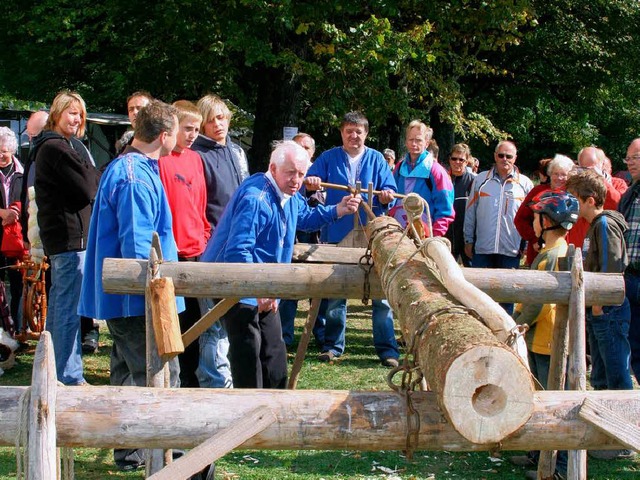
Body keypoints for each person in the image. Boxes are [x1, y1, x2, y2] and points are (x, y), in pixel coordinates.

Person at [201, 140, 361, 388]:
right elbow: (238, 251)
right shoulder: (257, 199)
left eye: (301, 174)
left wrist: (337, 210)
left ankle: (277, 403)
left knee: (274, 351)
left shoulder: (288, 194)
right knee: (248, 351)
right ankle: (251, 410)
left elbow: (305, 217)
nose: (297, 180)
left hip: (262, 284)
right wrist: (258, 291)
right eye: (291, 173)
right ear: (273, 168)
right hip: (233, 283)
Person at [79, 100, 184, 471]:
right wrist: (154, 294)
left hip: (130, 300)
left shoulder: (134, 167)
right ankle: (160, 450)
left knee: (127, 373)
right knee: (153, 373)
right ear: (164, 135)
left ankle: (131, 452)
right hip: (135, 300)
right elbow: (139, 248)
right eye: (178, 131)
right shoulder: (134, 177)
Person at [305, 111, 400, 367]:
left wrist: (386, 196)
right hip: (338, 231)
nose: (353, 136)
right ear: (342, 133)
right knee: (337, 292)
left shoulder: (377, 159)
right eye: (349, 131)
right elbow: (310, 183)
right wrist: (312, 182)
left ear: (366, 134)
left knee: (381, 294)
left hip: (371, 232)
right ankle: (333, 346)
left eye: (358, 131)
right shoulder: (328, 157)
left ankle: (387, 349)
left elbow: (388, 188)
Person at [511, 191, 579, 480]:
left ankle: (558, 466)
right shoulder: (556, 250)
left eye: (537, 217)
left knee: (550, 400)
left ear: (547, 221)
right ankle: (538, 453)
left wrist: (515, 323)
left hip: (545, 339)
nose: (533, 222)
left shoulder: (551, 255)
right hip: (544, 337)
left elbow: (538, 301)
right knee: (540, 395)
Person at [33, 91, 99, 386]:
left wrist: (90, 173)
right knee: (67, 309)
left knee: (62, 307)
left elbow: (90, 180)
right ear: (57, 113)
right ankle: (68, 375)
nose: (77, 119)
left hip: (68, 239)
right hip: (69, 239)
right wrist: (91, 172)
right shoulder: (57, 148)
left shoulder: (66, 146)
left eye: (80, 114)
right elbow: (89, 187)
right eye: (72, 113)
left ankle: (55, 371)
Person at [192, 94, 249, 389]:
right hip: (210, 247)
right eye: (213, 119)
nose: (219, 124)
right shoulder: (197, 156)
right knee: (211, 320)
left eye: (223, 118)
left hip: (237, 245)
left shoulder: (237, 152)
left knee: (232, 317)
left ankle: (228, 374)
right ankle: (214, 380)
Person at [158, 100, 211, 388]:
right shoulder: (161, 160)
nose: (192, 135)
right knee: (173, 322)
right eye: (188, 128)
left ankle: (191, 380)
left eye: (196, 130)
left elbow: (199, 202)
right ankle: (176, 380)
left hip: (196, 249)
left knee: (195, 323)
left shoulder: (196, 159)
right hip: (173, 251)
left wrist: (204, 234)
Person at [566, 169, 633, 392]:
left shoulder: (605, 225)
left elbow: (611, 266)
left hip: (607, 309)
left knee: (615, 370)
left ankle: (624, 419)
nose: (572, 205)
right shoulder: (592, 226)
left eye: (575, 199)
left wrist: (598, 305)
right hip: (597, 309)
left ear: (590, 200)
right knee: (600, 373)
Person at [463, 140, 533, 315]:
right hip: (483, 248)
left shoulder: (525, 184)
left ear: (515, 158)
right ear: (495, 156)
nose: (504, 159)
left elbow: (529, 219)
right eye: (500, 155)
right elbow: (470, 212)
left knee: (506, 298)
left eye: (508, 156)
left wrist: (525, 244)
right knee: (479, 296)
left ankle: (505, 336)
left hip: (510, 249)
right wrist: (468, 239)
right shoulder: (481, 180)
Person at [278, 132, 327, 348]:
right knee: (289, 287)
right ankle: (284, 336)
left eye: (306, 148)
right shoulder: (284, 178)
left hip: (318, 240)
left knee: (321, 287)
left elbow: (311, 214)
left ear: (312, 152)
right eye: (297, 147)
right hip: (291, 242)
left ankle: (322, 335)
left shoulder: (320, 170)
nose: (301, 151)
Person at [390, 120, 454, 237]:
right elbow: (391, 199)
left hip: (424, 235)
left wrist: (435, 237)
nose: (414, 144)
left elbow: (446, 209)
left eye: (418, 140)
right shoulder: (399, 168)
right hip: (398, 233)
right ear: (406, 142)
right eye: (411, 140)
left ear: (426, 143)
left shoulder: (436, 171)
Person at [514, 155, 575, 266]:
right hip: (540, 250)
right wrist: (533, 239)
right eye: (556, 174)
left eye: (563, 175)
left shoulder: (573, 195)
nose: (559, 178)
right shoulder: (538, 192)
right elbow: (520, 219)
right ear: (550, 174)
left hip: (568, 250)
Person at [567, 147, 622, 249]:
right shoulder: (576, 185)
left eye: (591, 168)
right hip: (577, 246)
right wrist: (570, 181)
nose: (588, 173)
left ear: (602, 165)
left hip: (601, 246)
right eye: (584, 168)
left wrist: (600, 180)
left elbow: (618, 205)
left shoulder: (617, 183)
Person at [618, 138, 640, 387]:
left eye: (635, 157)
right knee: (634, 345)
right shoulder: (630, 194)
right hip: (629, 278)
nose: (630, 163)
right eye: (628, 158)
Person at [0, 127, 25, 333]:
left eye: (4, 151)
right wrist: (1, 212)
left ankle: (16, 329)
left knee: (17, 283)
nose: (1, 155)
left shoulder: (22, 173)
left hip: (17, 238)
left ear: (12, 151)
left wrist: (16, 211)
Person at [445, 143, 475, 267]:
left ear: (467, 161)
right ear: (449, 159)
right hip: (446, 236)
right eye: (454, 159)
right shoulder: (443, 179)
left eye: (461, 159)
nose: (457, 162)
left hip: (466, 237)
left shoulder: (473, 181)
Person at [115, 91, 153, 155]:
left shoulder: (161, 141)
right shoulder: (126, 143)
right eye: (131, 109)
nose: (135, 112)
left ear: (152, 112)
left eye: (139, 108)